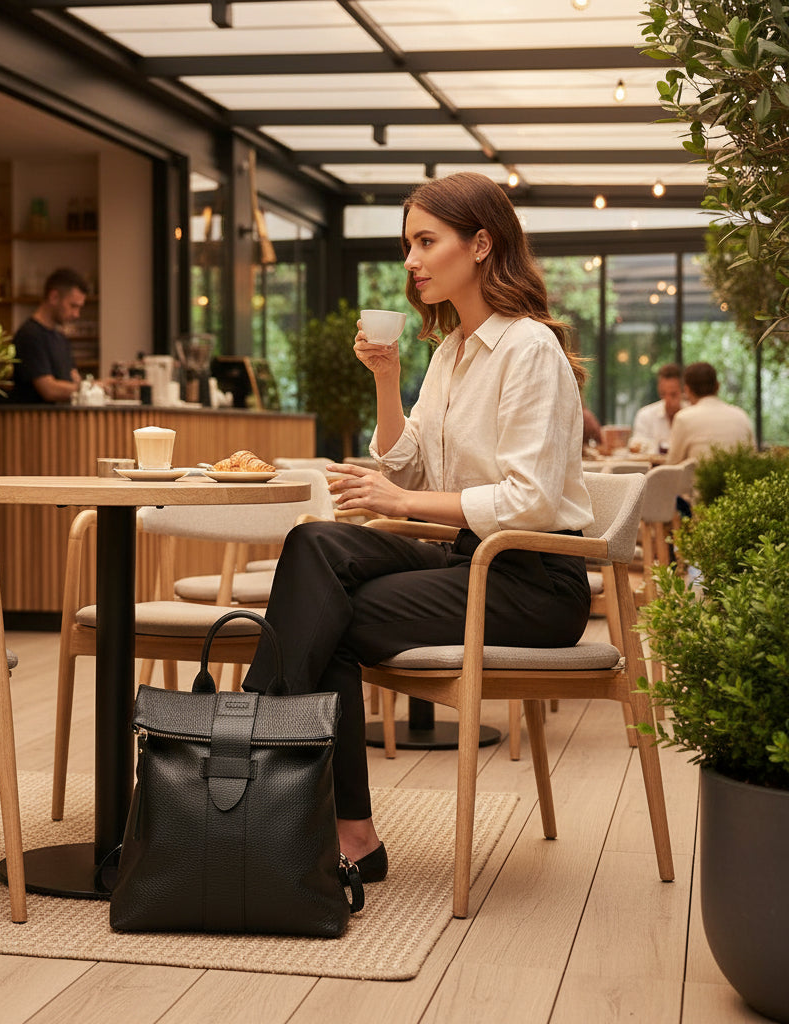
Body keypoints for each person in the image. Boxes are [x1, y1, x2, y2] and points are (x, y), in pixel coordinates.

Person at [241, 172, 594, 881]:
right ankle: (348, 834)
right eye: (410, 244)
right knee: (315, 548)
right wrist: (385, 376)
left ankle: (250, 764)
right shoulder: (449, 353)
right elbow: (409, 472)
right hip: (473, 562)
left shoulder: (529, 350)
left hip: (534, 582)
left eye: (426, 241)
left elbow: (526, 499)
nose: (411, 260)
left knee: (323, 610)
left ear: (482, 243)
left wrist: (397, 505)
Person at [9, 267, 90, 403]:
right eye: (73, 306)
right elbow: (49, 390)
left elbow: (75, 379)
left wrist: (99, 387)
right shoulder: (30, 335)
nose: (77, 314)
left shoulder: (61, 338)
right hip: (34, 421)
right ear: (54, 297)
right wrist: (92, 389)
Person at [666, 361, 755, 464]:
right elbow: (752, 457)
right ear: (718, 386)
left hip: (700, 480)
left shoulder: (684, 418)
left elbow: (673, 464)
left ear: (687, 390)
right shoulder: (741, 416)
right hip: (736, 479)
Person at [630, 363, 685, 453]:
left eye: (673, 394)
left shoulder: (692, 415)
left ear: (683, 391)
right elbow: (637, 445)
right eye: (663, 394)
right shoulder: (645, 415)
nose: (667, 400)